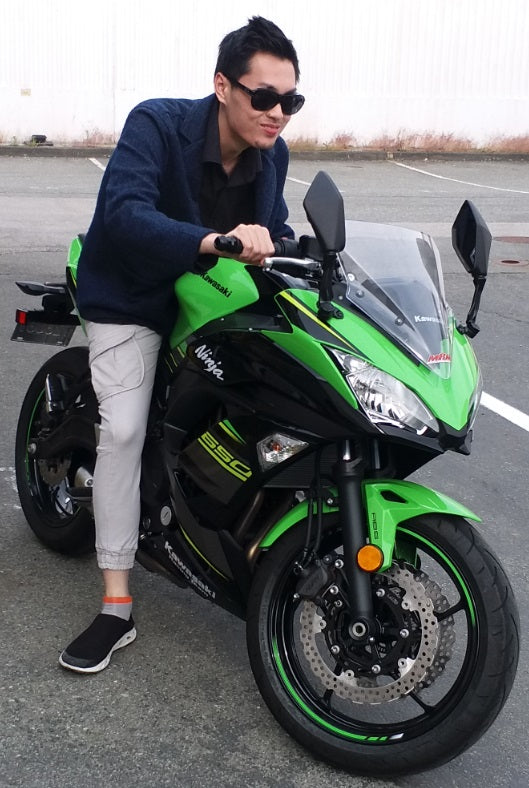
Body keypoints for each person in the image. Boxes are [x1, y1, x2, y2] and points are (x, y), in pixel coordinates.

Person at [59, 16, 304, 673]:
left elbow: (270, 227)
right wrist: (213, 241)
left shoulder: (270, 153)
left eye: (290, 101)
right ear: (222, 86)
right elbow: (126, 213)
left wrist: (294, 249)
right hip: (131, 294)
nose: (277, 113)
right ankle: (116, 605)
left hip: (208, 300)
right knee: (127, 429)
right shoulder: (157, 125)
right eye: (264, 97)